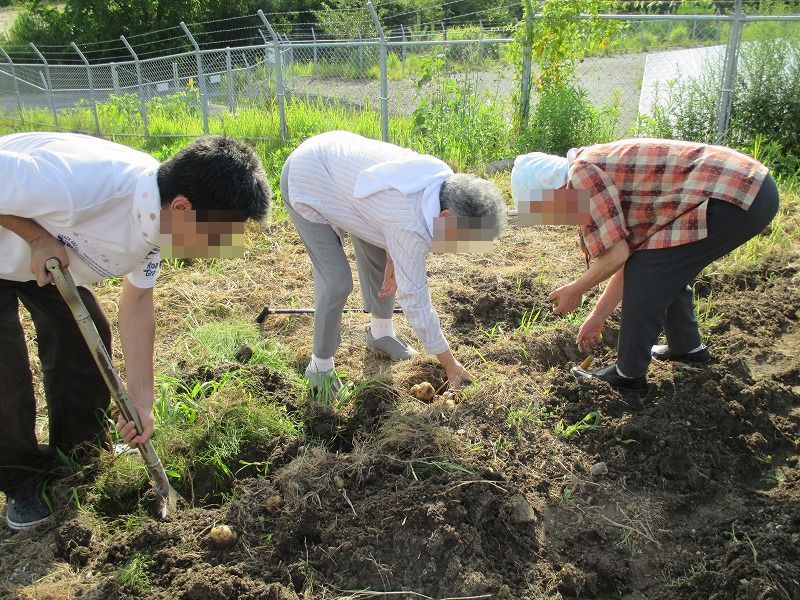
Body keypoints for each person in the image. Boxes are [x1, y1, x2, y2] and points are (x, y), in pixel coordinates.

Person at [0, 132, 270, 531]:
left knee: (85, 338)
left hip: (36, 260)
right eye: (218, 236)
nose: (219, 249)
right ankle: (20, 479)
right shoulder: (82, 186)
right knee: (5, 373)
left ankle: (79, 454)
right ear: (182, 207)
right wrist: (37, 238)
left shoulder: (159, 221)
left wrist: (142, 403)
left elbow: (138, 302)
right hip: (21, 243)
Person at [511, 138, 779, 396]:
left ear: (550, 192)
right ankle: (686, 349)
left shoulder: (581, 175)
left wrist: (576, 289)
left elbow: (618, 255)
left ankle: (627, 376)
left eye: (546, 209)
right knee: (661, 263)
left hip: (737, 193)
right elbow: (631, 256)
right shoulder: (591, 165)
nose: (555, 218)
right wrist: (598, 316)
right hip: (750, 189)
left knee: (654, 268)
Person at [281, 130, 506, 392]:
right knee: (336, 281)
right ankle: (319, 369)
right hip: (307, 177)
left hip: (342, 171)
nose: (461, 249)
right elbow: (415, 300)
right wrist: (450, 364)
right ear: (445, 216)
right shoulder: (410, 221)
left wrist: (392, 252)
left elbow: (385, 204)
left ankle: (381, 333)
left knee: (381, 256)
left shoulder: (444, 182)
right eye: (464, 239)